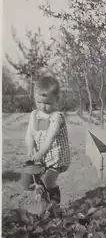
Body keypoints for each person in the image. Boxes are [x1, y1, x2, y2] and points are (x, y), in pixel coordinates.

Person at [23, 75, 70, 208]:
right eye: (39, 102)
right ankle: (44, 198)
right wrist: (30, 147)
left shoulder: (57, 117)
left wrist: (40, 153)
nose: (43, 107)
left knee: (49, 180)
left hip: (56, 158)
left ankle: (55, 205)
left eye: (47, 103)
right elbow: (30, 133)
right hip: (42, 157)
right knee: (34, 178)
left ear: (57, 99)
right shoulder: (34, 115)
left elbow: (50, 138)